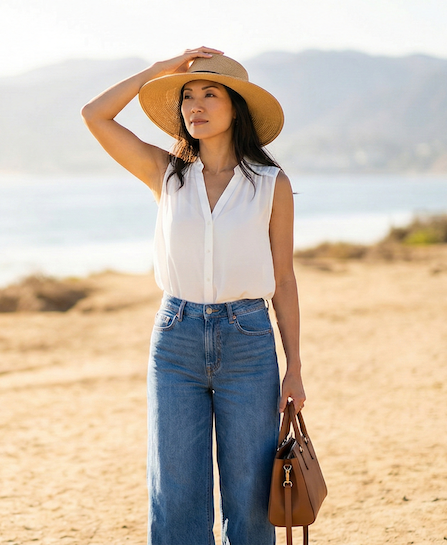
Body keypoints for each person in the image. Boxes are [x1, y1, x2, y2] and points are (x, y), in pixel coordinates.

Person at [80, 47, 306, 545]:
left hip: (248, 341)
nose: (194, 106)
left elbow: (284, 279)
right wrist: (160, 71)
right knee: (176, 491)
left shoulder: (271, 184)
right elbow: (94, 114)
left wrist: (294, 367)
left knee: (251, 495)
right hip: (175, 339)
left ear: (236, 108)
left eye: (210, 94)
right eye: (186, 96)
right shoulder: (165, 174)